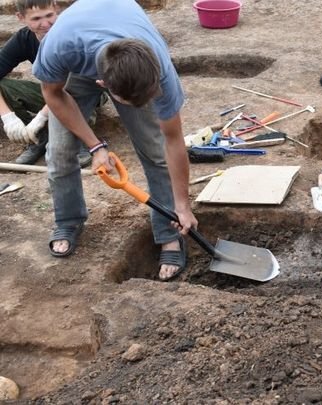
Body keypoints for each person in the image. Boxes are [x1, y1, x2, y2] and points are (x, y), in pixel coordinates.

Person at [32, 0, 197, 281]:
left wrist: (183, 205)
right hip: (78, 61)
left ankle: (169, 235)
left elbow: (173, 140)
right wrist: (95, 146)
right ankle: (68, 220)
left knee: (155, 151)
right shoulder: (60, 46)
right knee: (59, 152)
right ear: (103, 86)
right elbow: (52, 93)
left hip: (128, 55)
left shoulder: (160, 70)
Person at [0, 0, 92, 166]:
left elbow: (74, 83)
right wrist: (7, 116)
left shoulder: (71, 34)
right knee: (5, 86)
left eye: (49, 15)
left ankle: (76, 140)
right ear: (21, 17)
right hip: (52, 92)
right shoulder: (24, 39)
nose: (45, 24)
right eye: (36, 19)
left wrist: (41, 117)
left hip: (84, 96)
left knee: (75, 87)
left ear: (56, 8)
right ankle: (37, 138)